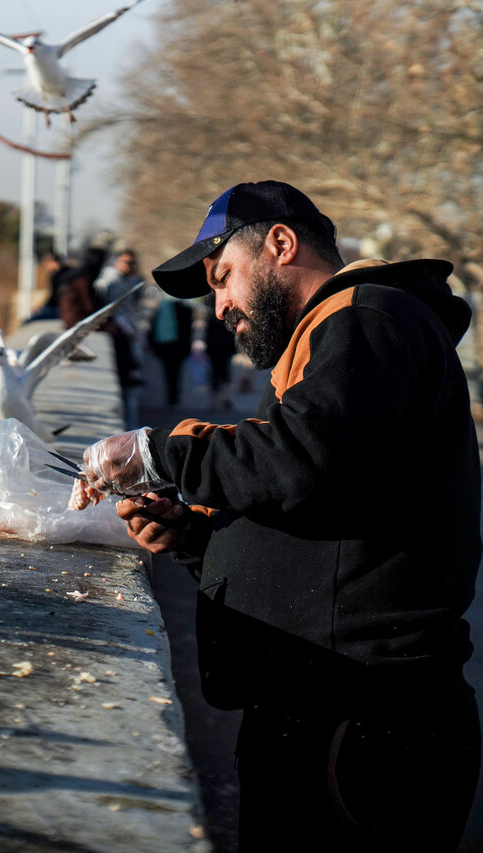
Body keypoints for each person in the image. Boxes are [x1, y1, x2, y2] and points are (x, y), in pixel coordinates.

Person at [81, 181, 481, 851]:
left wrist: (158, 452)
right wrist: (193, 536)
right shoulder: (339, 334)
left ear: (281, 244)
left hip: (362, 724)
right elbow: (323, 521)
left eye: (224, 278)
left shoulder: (367, 318)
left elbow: (303, 458)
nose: (222, 304)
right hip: (333, 714)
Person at [93, 248, 148, 428]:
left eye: (132, 263)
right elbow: (111, 311)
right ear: (116, 263)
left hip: (133, 337)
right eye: (126, 263)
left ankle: (132, 429)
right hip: (118, 338)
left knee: (133, 389)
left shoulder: (134, 281)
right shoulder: (109, 282)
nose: (129, 267)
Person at [147, 289, 194, 406]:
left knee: (171, 371)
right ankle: (173, 396)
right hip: (172, 345)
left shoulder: (162, 308)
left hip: (170, 345)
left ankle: (172, 396)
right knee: (173, 372)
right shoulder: (182, 308)